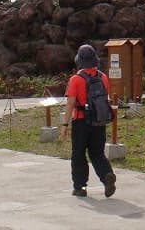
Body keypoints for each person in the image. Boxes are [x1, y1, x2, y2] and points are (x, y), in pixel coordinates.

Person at [60, 45, 116, 198]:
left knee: (78, 154)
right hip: (99, 120)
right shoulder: (103, 77)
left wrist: (64, 125)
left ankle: (80, 187)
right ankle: (106, 176)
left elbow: (71, 103)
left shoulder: (76, 79)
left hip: (81, 121)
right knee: (97, 153)